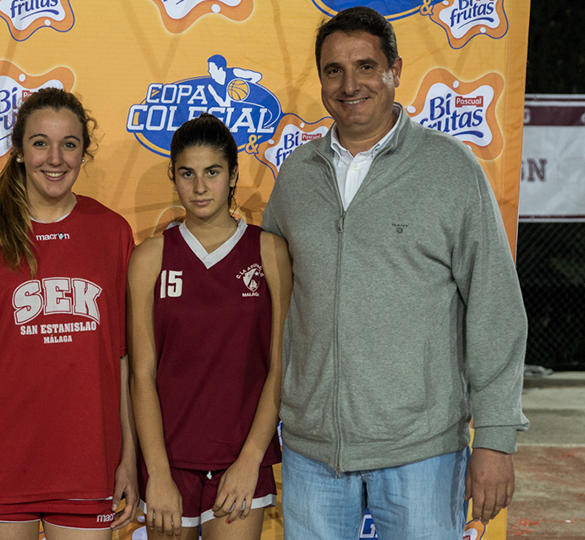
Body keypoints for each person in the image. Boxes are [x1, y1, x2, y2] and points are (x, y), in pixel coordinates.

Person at [260, 7, 529, 540]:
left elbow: (495, 306)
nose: (349, 84)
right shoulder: (296, 175)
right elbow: (273, 299)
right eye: (334, 70)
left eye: (366, 66)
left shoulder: (450, 168)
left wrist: (495, 439)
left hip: (422, 453)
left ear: (396, 71)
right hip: (313, 452)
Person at [0, 87, 138, 540]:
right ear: (20, 151)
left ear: (84, 152)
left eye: (69, 144)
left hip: (88, 464)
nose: (55, 158)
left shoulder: (112, 232)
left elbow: (121, 360)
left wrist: (129, 457)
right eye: (41, 143)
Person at [128, 113, 292, 539]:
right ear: (173, 176)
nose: (200, 187)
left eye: (212, 172)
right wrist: (157, 472)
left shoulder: (269, 251)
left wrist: (250, 459)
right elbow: (142, 374)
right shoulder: (149, 258)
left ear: (233, 175)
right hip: (168, 465)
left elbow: (280, 367)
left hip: (240, 463)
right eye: (187, 173)